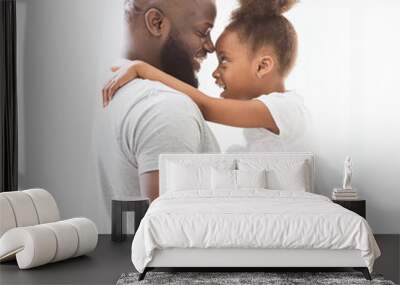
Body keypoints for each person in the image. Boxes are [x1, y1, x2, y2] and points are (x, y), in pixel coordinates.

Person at [102, 0, 312, 153]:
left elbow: (206, 107)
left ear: (262, 66)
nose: (215, 71)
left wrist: (143, 69)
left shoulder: (288, 109)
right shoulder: (272, 114)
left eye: (224, 60)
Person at [95, 0, 220, 214]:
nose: (211, 46)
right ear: (157, 23)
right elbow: (171, 232)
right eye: (203, 31)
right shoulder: (167, 110)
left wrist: (141, 69)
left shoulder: (110, 89)